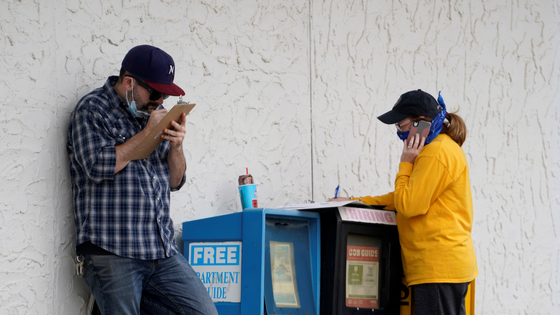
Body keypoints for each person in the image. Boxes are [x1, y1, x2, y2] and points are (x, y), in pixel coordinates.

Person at [66, 45, 218, 315]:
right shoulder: (92, 110)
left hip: (160, 249)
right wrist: (146, 133)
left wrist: (177, 147)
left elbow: (175, 181)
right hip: (112, 249)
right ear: (129, 83)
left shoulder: (152, 114)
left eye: (165, 95)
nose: (160, 102)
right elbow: (97, 165)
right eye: (156, 93)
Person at [332, 89, 478, 315]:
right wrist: (355, 202)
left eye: (402, 126)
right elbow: (402, 197)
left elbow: (408, 205)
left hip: (437, 269)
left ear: (422, 124)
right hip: (445, 267)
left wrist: (405, 163)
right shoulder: (442, 148)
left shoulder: (435, 153)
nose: (400, 133)